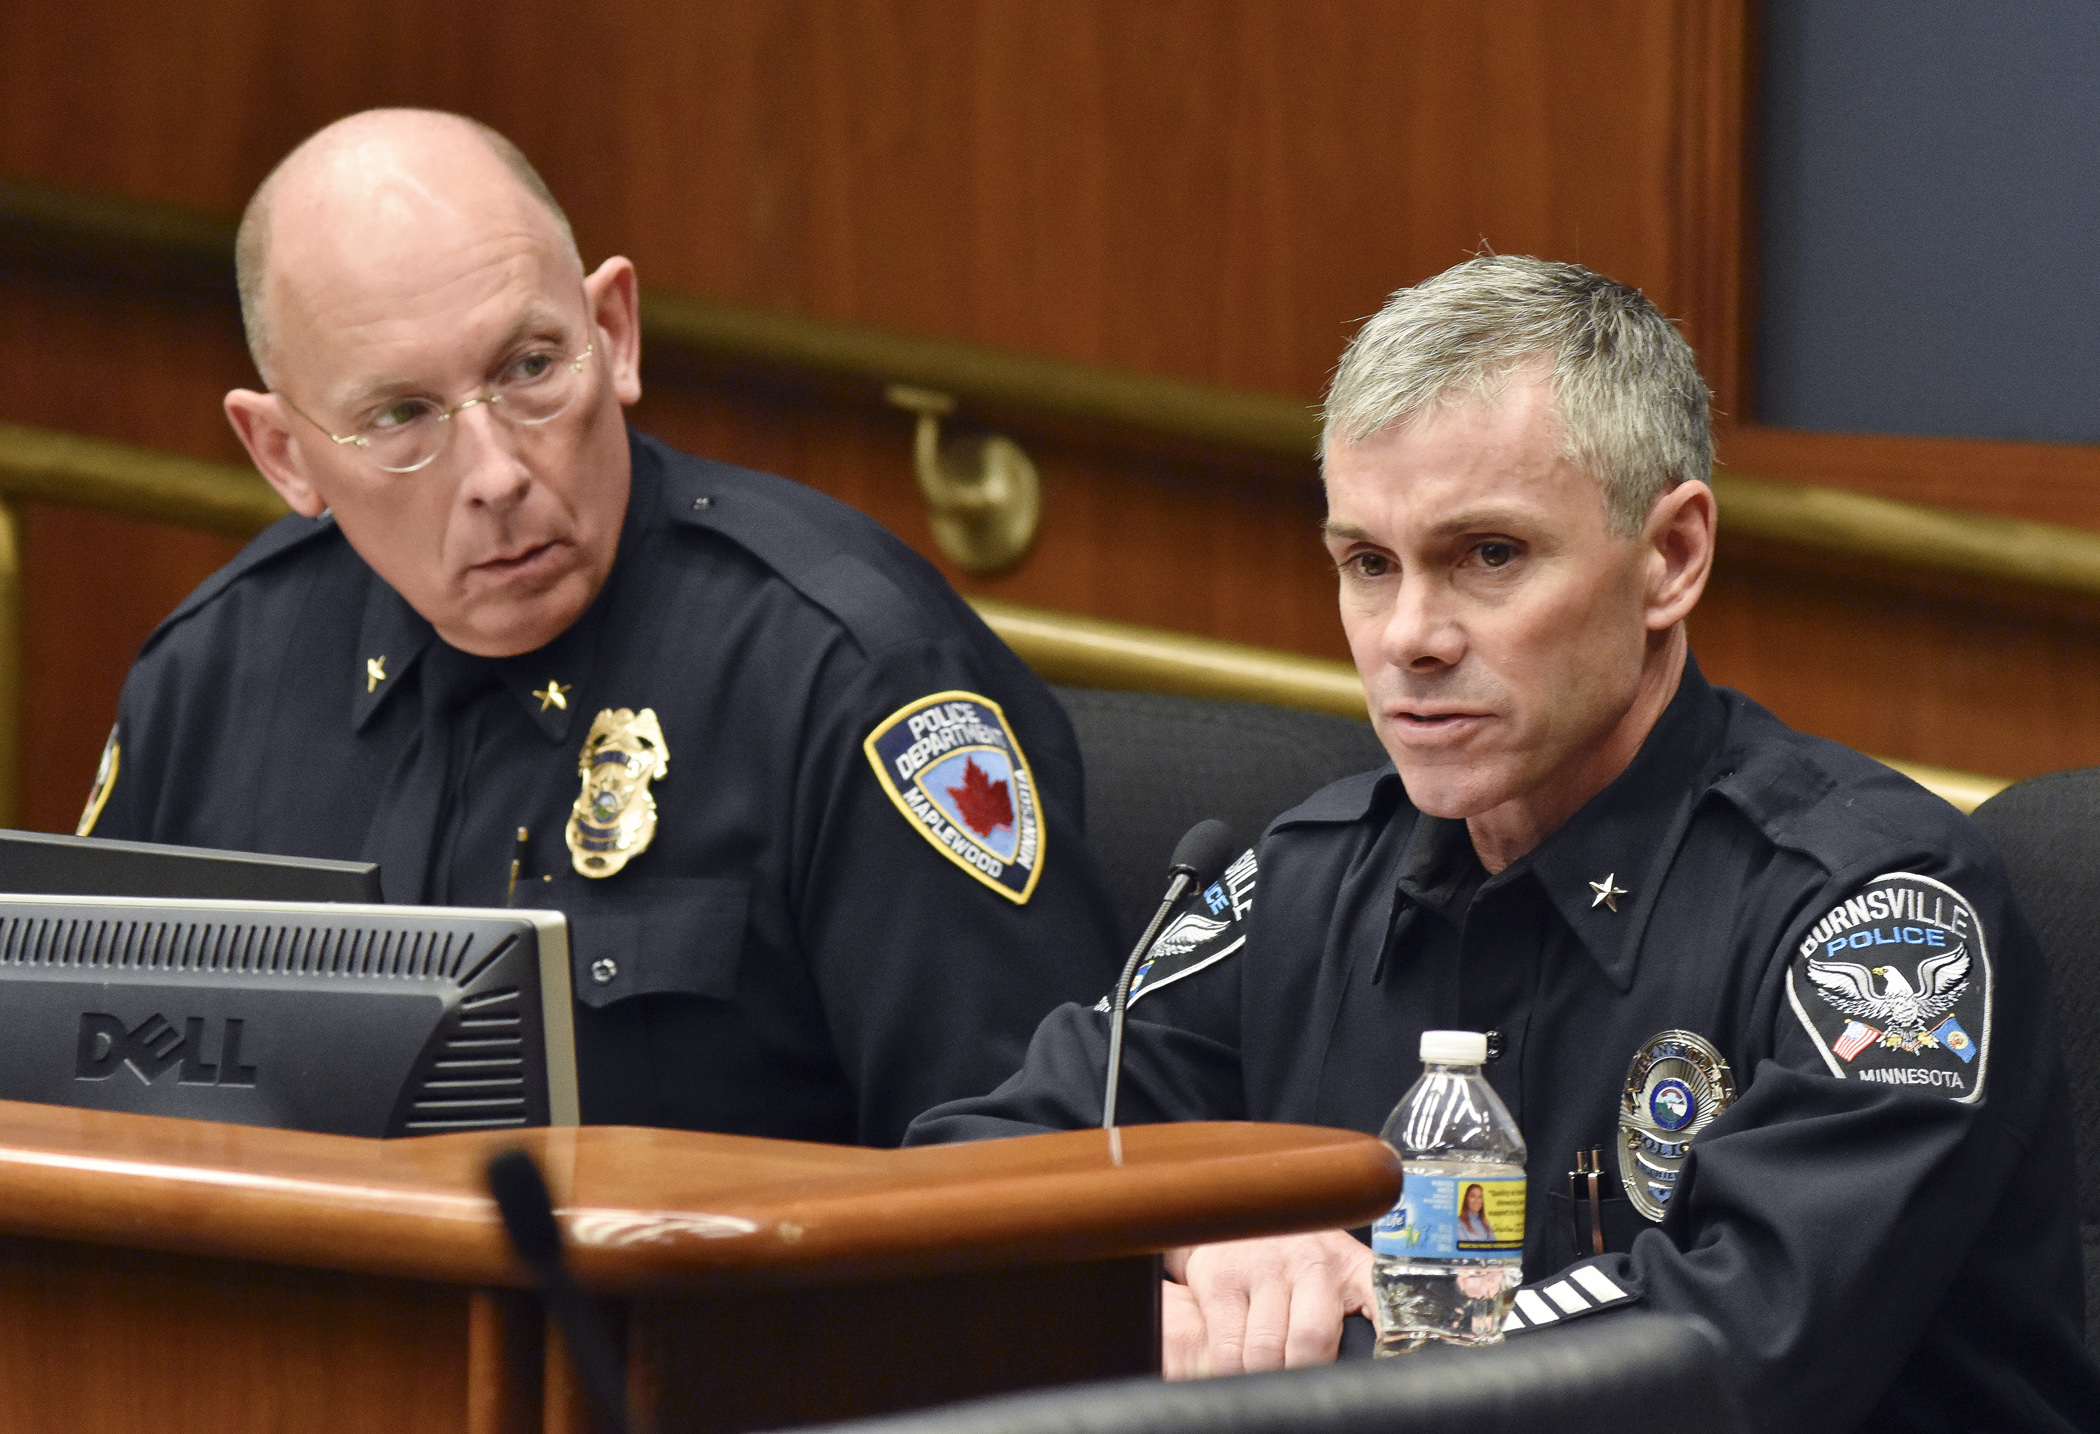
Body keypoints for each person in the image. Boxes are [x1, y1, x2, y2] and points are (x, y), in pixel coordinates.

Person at [910, 256, 2100, 1430]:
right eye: (1368, 565)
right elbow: (972, 1176)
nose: (1410, 637)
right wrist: (1194, 1252)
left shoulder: (1875, 913)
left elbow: (1730, 1361)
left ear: (1671, 558)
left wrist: (1333, 1338)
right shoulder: (1301, 881)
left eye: (1489, 556)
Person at [79, 109, 1124, 1146]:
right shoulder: (209, 678)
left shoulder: (847, 674)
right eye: (401, 417)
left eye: (530, 368)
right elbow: (74, 1115)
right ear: (282, 455)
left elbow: (1036, 1184)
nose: (495, 475)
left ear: (613, 335)